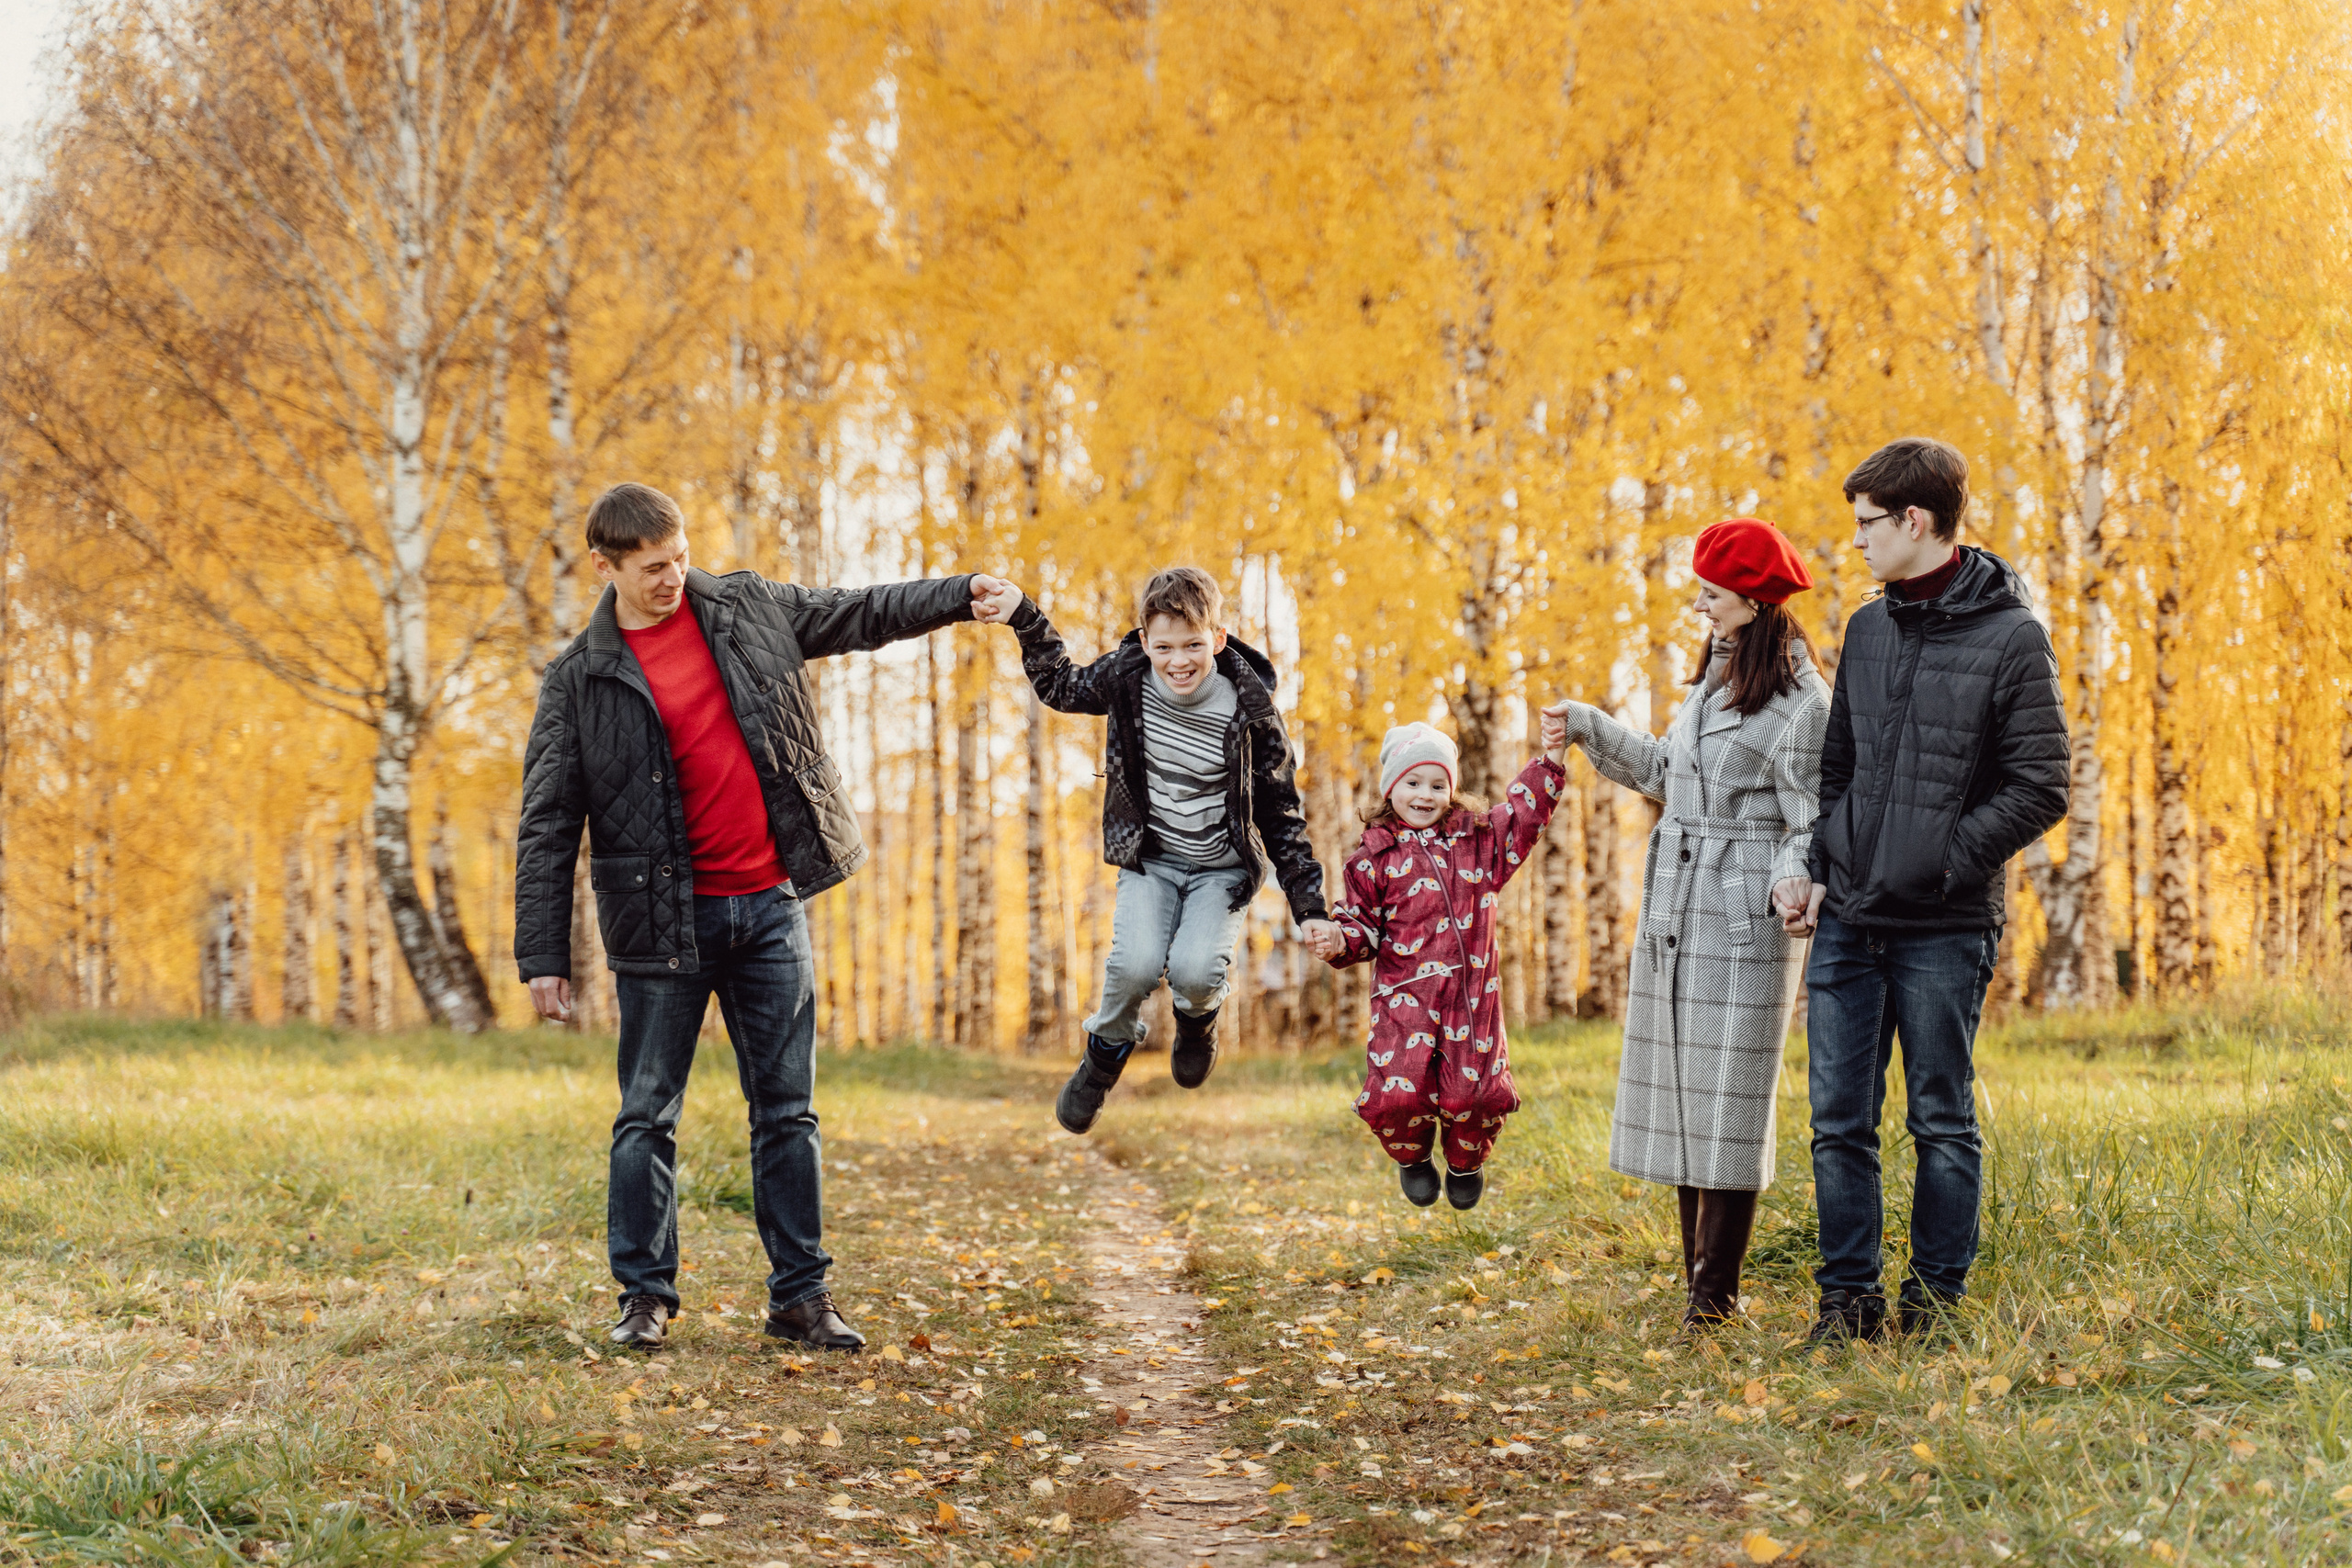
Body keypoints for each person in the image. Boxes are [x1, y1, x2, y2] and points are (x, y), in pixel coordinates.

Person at [513, 482, 1024, 1352]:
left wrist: (956, 594)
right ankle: (644, 1298)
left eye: (678, 559)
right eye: (651, 569)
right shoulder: (578, 679)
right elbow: (548, 821)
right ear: (604, 567)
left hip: (769, 910)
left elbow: (856, 611)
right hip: (660, 925)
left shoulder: (745, 606)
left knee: (787, 1113)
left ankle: (802, 1298)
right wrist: (541, 955)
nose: (672, 578)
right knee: (647, 1115)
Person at [1783, 437, 2068, 1343]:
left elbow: (2041, 785)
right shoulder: (1866, 628)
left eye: (1868, 524)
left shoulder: (2013, 636)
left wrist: (1943, 857)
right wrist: (1824, 866)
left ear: (1915, 520)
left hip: (1944, 923)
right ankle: (1847, 1306)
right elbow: (1840, 768)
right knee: (1838, 1125)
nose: (1856, 542)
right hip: (1849, 920)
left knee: (1940, 1119)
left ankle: (1936, 1308)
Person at [1542, 519, 1829, 1328]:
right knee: (1680, 1093)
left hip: (1744, 918)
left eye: (1711, 589)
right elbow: (1671, 770)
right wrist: (1590, 725)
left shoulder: (1804, 703)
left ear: (1753, 597)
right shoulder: (1716, 677)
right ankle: (1696, 1288)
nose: (1700, 602)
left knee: (1729, 1102)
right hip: (1677, 906)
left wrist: (1789, 879)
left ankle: (1715, 1299)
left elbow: (1810, 817)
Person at [1009, 567, 1338, 1134]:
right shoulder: (1127, 678)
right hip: (1151, 861)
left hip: (1222, 870)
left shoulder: (1252, 710)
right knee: (1133, 966)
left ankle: (1197, 1019)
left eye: (1193, 645)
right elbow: (1059, 686)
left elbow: (1281, 812)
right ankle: (1102, 1059)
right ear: (1144, 642)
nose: (1178, 660)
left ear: (1218, 637)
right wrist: (1021, 613)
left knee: (1193, 971)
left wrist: (1308, 907)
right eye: (1163, 646)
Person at [1304, 722, 1566, 1211]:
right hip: (1404, 1002)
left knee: (1479, 1096)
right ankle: (1411, 1158)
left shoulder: (1479, 843)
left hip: (1472, 999)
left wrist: (1549, 761)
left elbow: (1522, 819)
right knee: (1397, 1098)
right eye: (1413, 782)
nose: (1425, 795)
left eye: (1437, 784)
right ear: (1390, 788)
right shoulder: (1371, 859)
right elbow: (1361, 926)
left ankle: (1467, 1161)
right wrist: (1338, 938)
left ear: (1452, 790)